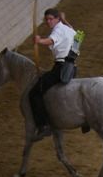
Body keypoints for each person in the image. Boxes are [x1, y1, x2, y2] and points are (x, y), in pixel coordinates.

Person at [29, 9, 78, 137]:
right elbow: (74, 31)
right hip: (72, 68)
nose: (48, 21)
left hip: (61, 69)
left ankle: (43, 125)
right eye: (46, 19)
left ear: (57, 19)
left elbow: (51, 40)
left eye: (51, 19)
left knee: (34, 93)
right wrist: (64, 19)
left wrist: (39, 41)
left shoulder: (58, 30)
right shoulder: (67, 29)